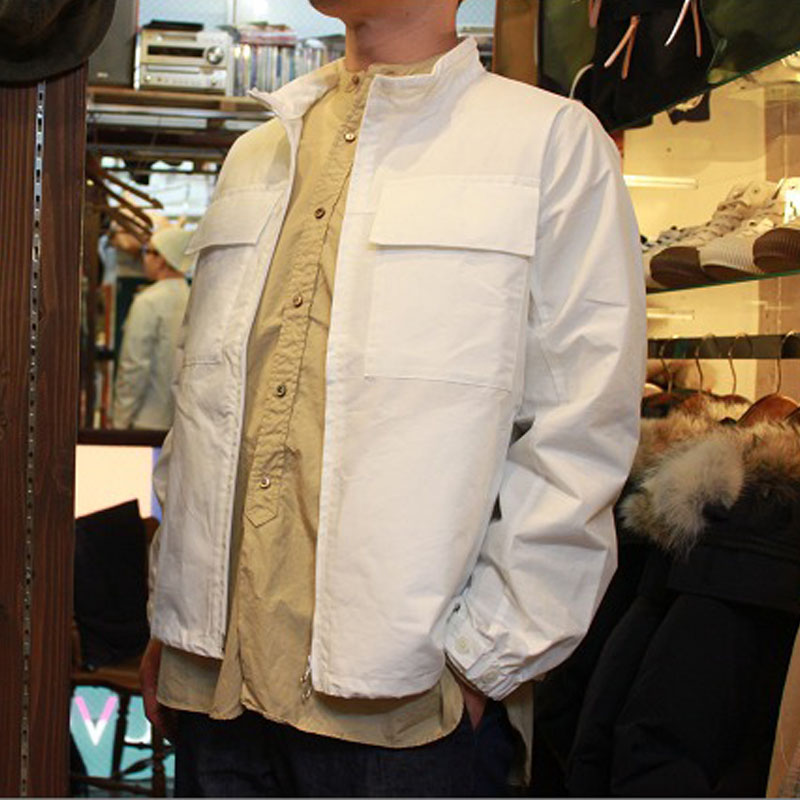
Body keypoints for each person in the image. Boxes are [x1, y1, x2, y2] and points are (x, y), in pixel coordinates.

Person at [140, 0, 647, 795]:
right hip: (212, 687)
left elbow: (581, 429)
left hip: (405, 712)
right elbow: (203, 405)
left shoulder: (547, 141)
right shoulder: (257, 154)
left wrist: (482, 662)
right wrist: (171, 611)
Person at [112, 226, 191, 430]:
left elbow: (134, 367)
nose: (144, 258)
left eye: (148, 251)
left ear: (162, 259)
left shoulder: (148, 302)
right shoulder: (193, 299)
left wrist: (120, 421)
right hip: (180, 423)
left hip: (145, 421)